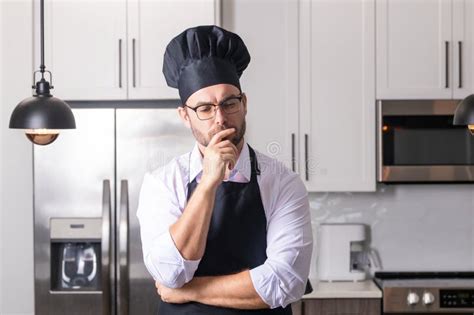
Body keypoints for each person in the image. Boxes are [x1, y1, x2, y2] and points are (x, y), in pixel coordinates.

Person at [137, 25, 313, 315]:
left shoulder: (282, 183)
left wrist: (189, 291)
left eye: (229, 102)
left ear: (244, 104)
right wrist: (208, 182)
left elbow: (285, 281)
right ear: (185, 116)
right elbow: (171, 274)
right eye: (204, 108)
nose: (220, 118)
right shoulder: (163, 183)